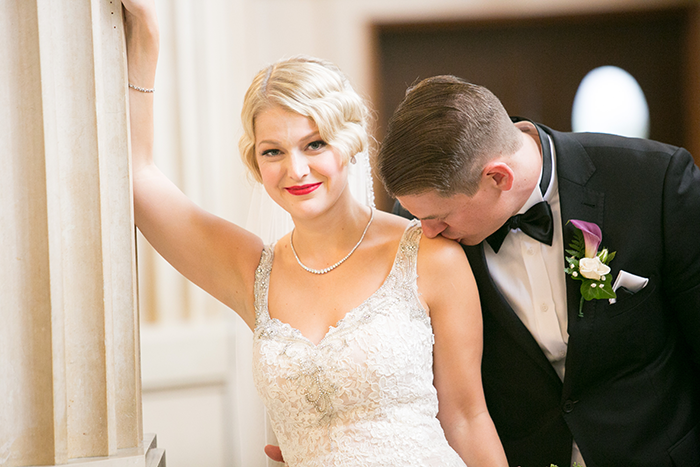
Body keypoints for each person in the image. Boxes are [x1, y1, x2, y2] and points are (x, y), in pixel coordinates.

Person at [121, 2, 509, 466]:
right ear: (255, 162)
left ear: (349, 142)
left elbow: (467, 418)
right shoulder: (252, 272)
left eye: (315, 143)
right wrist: (146, 34)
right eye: (273, 151)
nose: (296, 169)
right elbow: (139, 179)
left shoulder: (429, 256)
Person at [376, 75, 700, 467]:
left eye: (439, 218)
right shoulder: (424, 233)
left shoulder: (654, 180)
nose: (428, 232)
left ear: (498, 177)